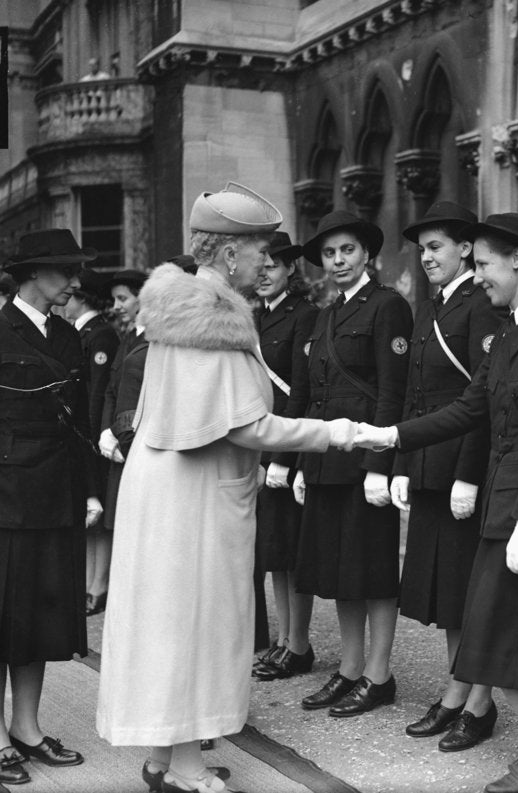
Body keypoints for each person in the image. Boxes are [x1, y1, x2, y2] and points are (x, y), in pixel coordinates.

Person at [95, 183, 358, 793]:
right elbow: (248, 425)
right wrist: (344, 433)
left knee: (171, 623)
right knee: (193, 625)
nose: (269, 261)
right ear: (230, 253)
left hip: (178, 488)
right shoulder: (209, 320)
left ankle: (165, 755)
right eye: (261, 249)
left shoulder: (189, 310)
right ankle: (186, 765)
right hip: (192, 496)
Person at [354, 213, 518, 793]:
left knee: (492, 634)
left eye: (486, 264)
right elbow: (471, 407)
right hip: (502, 495)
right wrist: (393, 438)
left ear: (517, 260)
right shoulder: (513, 325)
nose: (480, 275)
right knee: (506, 631)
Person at [291, 210, 413, 718]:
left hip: (365, 461)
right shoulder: (326, 313)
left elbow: (392, 391)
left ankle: (379, 675)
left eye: (347, 251)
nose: (338, 261)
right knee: (341, 572)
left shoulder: (387, 307)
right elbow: (314, 395)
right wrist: (302, 462)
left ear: (367, 254)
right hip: (327, 463)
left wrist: (380, 465)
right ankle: (349, 669)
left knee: (374, 569)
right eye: (329, 253)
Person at [394, 201, 503, 751]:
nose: (427, 256)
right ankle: (457, 690)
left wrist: (467, 474)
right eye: (423, 248)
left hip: (464, 469)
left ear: (465, 249)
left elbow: (480, 398)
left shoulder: (479, 305)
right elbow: (416, 396)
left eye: (436, 246)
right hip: (431, 467)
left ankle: (478, 701)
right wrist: (402, 465)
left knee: (467, 591)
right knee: (448, 594)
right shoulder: (433, 305)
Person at [0, 228, 104, 787]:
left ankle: (27, 727)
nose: (73, 282)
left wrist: (89, 490)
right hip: (8, 498)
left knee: (37, 617)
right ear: (34, 274)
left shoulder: (66, 336)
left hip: (57, 493)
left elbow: (80, 423)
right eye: (64, 271)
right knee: (2, 617)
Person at [250, 232, 320, 682]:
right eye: (259, 266)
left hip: (285, 447)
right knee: (273, 549)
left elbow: (301, 391)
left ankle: (299, 643)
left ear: (291, 269)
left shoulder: (305, 315)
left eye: (272, 265)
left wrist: (282, 456)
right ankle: (281, 639)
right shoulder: (254, 317)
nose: (263, 274)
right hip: (258, 444)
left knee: (293, 550)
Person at [63, 268, 120, 616]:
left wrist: (92, 436)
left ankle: (98, 586)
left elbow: (96, 393)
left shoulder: (100, 335)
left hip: (92, 436)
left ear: (83, 298)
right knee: (88, 516)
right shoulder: (82, 332)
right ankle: (87, 583)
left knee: (97, 515)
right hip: (81, 433)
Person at [96, 269, 150, 615]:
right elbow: (112, 391)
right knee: (122, 528)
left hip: (138, 444)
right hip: (119, 444)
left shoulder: (158, 339)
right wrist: (107, 431)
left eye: (124, 298)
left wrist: (122, 434)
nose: (118, 306)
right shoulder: (129, 336)